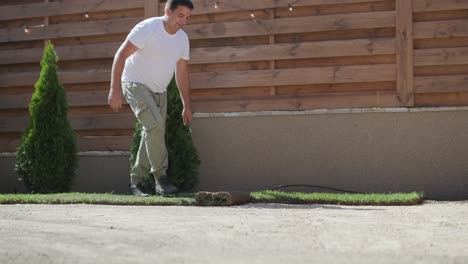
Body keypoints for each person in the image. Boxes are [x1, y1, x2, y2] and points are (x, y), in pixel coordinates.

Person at [108, 0, 194, 196]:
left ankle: (135, 182)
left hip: (160, 91)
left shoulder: (182, 39)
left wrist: (186, 105)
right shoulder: (148, 28)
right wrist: (114, 89)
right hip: (135, 84)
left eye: (188, 17)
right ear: (168, 11)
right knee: (155, 127)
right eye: (181, 15)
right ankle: (161, 178)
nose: (184, 21)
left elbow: (181, 73)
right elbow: (120, 55)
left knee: (152, 132)